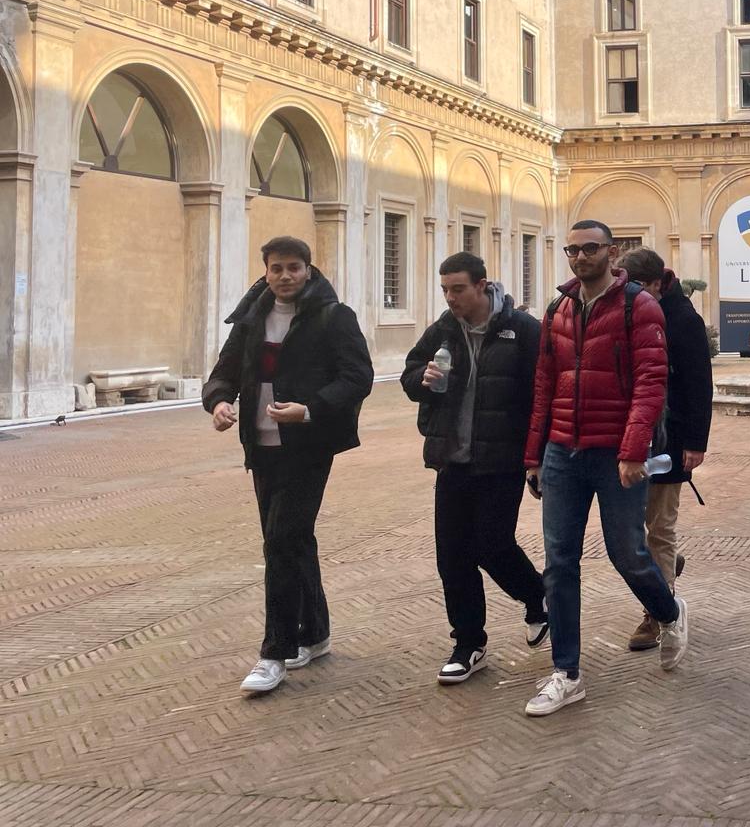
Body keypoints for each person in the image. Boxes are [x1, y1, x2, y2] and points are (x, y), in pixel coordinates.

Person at [521, 221, 687, 717]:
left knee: (628, 554)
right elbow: (544, 385)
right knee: (560, 563)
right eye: (571, 250)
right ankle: (567, 674)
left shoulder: (640, 306)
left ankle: (669, 612)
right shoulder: (558, 309)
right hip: (561, 453)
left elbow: (651, 382)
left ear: (612, 252)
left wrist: (634, 449)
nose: (578, 257)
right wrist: (533, 454)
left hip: (614, 453)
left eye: (589, 248)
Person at [201, 236, 374, 695]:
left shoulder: (333, 316)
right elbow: (225, 370)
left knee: (280, 541)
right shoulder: (252, 317)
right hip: (261, 447)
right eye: (276, 268)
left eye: (293, 268)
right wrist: (218, 402)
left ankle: (273, 653)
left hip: (307, 447)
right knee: (291, 540)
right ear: (265, 271)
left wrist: (311, 408)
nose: (284, 277)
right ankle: (314, 634)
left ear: (308, 269)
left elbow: (358, 377)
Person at [401, 252, 547, 685]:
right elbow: (411, 373)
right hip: (452, 458)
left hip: (501, 460)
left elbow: (543, 393)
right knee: (452, 557)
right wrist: (420, 380)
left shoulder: (521, 330)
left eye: (458, 289)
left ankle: (538, 594)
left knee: (491, 544)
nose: (451, 298)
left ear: (483, 285)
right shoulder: (443, 329)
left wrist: (536, 457)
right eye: (445, 289)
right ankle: (469, 644)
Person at [617, 247, 713, 651]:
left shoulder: (684, 319)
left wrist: (696, 443)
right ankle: (666, 567)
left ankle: (657, 612)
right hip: (629, 438)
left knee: (660, 526)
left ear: (656, 283)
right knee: (628, 528)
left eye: (637, 286)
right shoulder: (627, 310)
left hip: (671, 440)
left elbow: (698, 383)